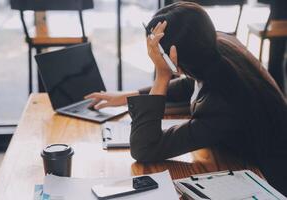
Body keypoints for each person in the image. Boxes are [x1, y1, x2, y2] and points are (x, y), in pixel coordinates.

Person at [85, 2, 287, 194]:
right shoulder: (217, 47)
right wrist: (125, 97)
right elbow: (188, 83)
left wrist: (162, 74)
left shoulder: (222, 105)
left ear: (174, 59)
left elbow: (144, 149)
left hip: (265, 180)